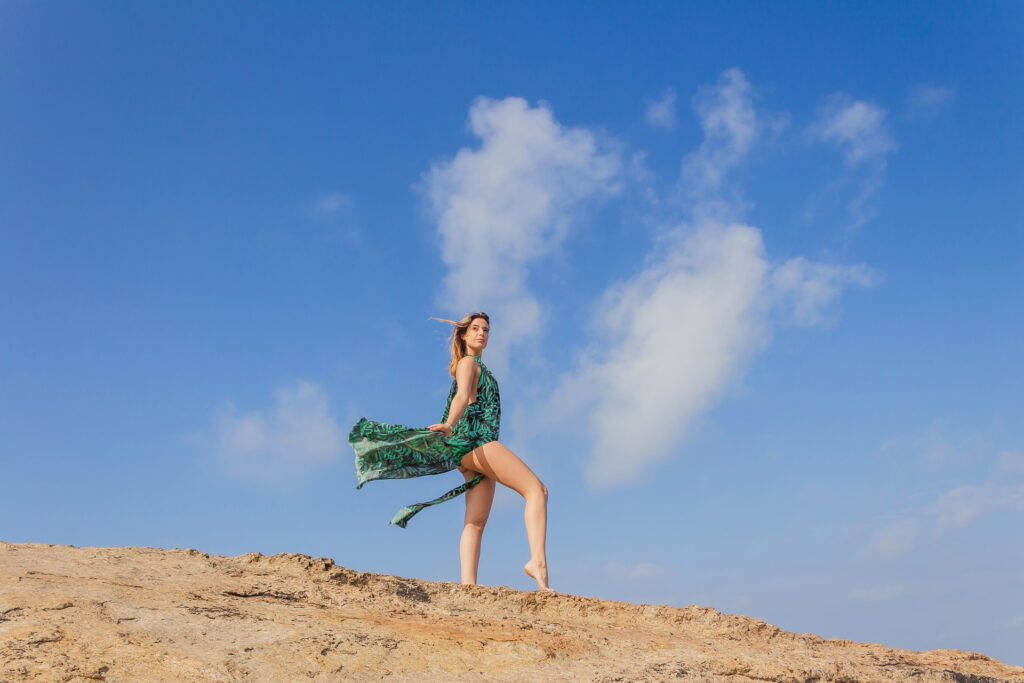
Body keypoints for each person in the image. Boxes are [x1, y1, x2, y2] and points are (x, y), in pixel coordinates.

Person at [348, 312, 551, 591]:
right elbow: (463, 395)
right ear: (464, 335)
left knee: (476, 521)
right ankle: (537, 563)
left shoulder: (477, 365)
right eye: (476, 329)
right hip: (476, 442)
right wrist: (449, 423)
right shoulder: (468, 363)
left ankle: (468, 587)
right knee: (536, 491)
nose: (482, 333)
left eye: (486, 330)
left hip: (466, 452)